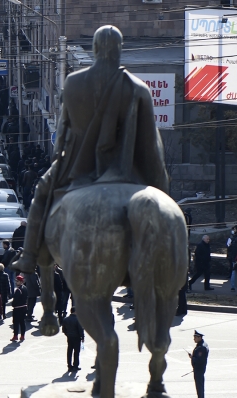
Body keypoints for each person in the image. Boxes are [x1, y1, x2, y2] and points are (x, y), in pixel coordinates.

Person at [11, 25, 170, 275]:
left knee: (42, 190)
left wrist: (58, 161)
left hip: (79, 167)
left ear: (94, 49)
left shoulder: (73, 82)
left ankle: (30, 255)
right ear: (119, 49)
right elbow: (151, 146)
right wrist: (161, 187)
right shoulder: (138, 88)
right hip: (126, 169)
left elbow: (62, 132)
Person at [188, 330, 208, 398]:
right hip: (198, 369)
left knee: (199, 388)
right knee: (199, 387)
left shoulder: (201, 348)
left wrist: (192, 357)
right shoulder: (201, 345)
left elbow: (200, 360)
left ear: (199, 337)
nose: (194, 339)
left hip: (199, 370)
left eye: (195, 337)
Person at [61, 307, 85, 372]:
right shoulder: (78, 319)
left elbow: (63, 329)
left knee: (69, 351)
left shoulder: (66, 319)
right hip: (76, 338)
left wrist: (67, 334)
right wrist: (82, 337)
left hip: (69, 337)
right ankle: (75, 365)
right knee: (76, 352)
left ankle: (69, 365)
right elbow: (80, 330)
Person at [11, 275, 28, 341]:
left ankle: (15, 336)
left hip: (18, 308)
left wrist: (13, 304)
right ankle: (22, 336)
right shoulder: (25, 288)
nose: (16, 282)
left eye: (17, 281)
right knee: (22, 322)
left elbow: (15, 300)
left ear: (21, 282)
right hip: (24, 307)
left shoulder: (18, 290)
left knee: (16, 322)